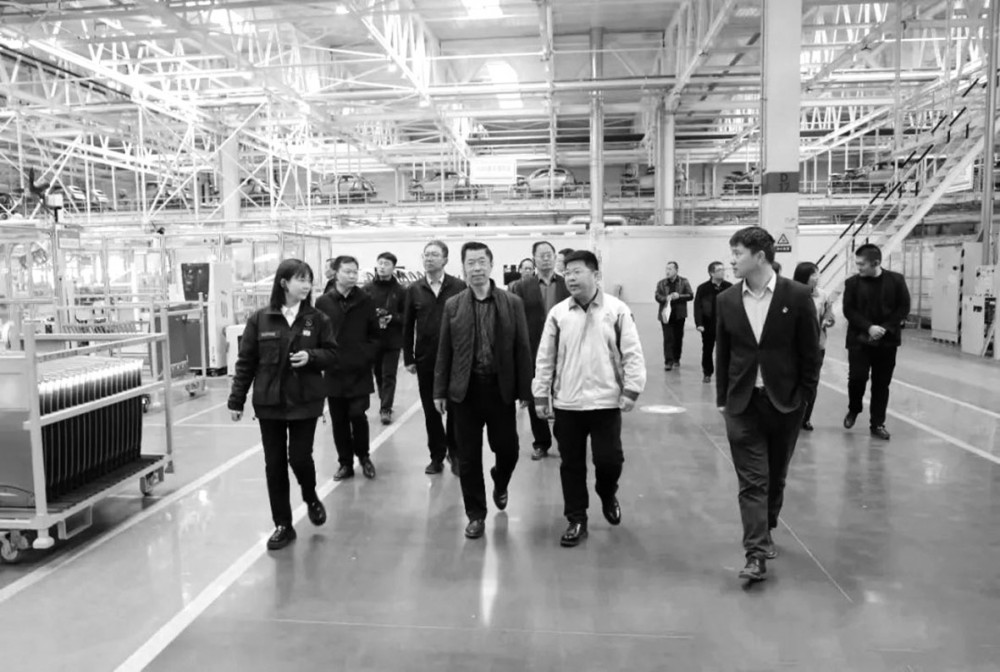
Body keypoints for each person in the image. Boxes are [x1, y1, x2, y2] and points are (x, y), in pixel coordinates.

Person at [715, 226, 820, 583]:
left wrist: (804, 397)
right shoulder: (727, 300)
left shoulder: (797, 295)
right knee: (752, 481)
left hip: (785, 403)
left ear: (760, 256)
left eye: (737, 254)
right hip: (742, 403)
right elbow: (724, 353)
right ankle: (755, 553)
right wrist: (722, 398)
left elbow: (810, 353)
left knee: (775, 476)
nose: (731, 260)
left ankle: (768, 522)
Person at [533, 250, 646, 548]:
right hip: (567, 403)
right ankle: (576, 518)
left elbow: (632, 353)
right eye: (567, 272)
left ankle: (607, 492)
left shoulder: (617, 310)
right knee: (571, 465)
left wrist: (632, 389)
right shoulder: (558, 313)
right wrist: (540, 394)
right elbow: (545, 357)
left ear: (595, 275)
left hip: (606, 402)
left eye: (577, 272)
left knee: (609, 461)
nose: (570, 278)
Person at [228, 259, 336, 550]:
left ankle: (310, 497)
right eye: (301, 279)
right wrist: (237, 399)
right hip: (270, 402)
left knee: (299, 458)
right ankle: (283, 525)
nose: (307, 285)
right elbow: (246, 361)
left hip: (305, 400)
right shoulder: (260, 319)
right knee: (274, 464)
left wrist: (312, 357)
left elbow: (333, 354)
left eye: (309, 279)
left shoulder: (317, 319)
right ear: (284, 283)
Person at [434, 242, 533, 540]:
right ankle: (476, 514)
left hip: (500, 389)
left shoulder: (511, 302)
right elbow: (445, 350)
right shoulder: (453, 305)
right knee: (468, 457)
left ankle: (500, 481)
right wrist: (439, 390)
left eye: (481, 262)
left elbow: (522, 348)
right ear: (463, 267)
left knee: (508, 450)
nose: (476, 268)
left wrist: (526, 390)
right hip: (465, 391)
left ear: (491, 265)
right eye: (470, 262)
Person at [403, 240, 467, 475]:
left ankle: (455, 453)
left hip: (454, 359)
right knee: (431, 411)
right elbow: (407, 325)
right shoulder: (414, 289)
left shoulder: (459, 286)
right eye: (426, 255)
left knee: (455, 409)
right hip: (426, 359)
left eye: (434, 255)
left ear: (445, 260)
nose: (429, 258)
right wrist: (408, 357)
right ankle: (436, 456)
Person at [316, 255, 380, 481]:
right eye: (347, 272)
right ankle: (345, 463)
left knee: (358, 414)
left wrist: (366, 355)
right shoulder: (323, 302)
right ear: (335, 273)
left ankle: (364, 456)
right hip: (334, 370)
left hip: (359, 369)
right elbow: (317, 334)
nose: (353, 276)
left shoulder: (366, 300)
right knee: (339, 419)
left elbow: (375, 334)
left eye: (355, 272)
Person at [842, 243, 911, 441]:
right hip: (859, 340)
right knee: (857, 378)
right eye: (857, 263)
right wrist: (869, 327)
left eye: (862, 264)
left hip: (886, 342)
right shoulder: (852, 283)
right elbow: (849, 310)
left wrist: (884, 328)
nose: (858, 268)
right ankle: (854, 408)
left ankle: (877, 423)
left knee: (881, 384)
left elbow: (903, 308)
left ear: (876, 263)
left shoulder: (896, 281)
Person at [510, 241, 571, 460]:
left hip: (564, 349)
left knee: (563, 397)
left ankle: (565, 442)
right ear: (534, 258)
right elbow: (515, 320)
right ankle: (541, 442)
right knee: (536, 395)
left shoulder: (566, 284)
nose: (545, 259)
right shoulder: (522, 286)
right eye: (541, 255)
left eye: (549, 255)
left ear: (555, 258)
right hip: (533, 350)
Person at [793, 261, 836, 431]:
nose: (817, 277)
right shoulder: (791, 294)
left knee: (811, 382)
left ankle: (806, 418)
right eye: (813, 274)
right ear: (804, 276)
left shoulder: (822, 295)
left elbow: (829, 314)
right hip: (794, 346)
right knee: (792, 381)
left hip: (817, 346)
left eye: (817, 273)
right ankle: (791, 415)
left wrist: (828, 320)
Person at [367, 252, 406, 425]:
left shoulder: (401, 291)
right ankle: (384, 400)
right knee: (378, 374)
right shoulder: (367, 289)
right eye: (380, 263)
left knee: (389, 374)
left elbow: (407, 315)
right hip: (373, 339)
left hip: (392, 340)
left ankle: (386, 408)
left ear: (393, 268)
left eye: (386, 264)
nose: (382, 267)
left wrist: (394, 317)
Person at [693, 261, 732, 384]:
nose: (723, 272)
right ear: (711, 273)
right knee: (707, 349)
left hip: (725, 325)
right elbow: (698, 307)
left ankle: (725, 373)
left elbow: (734, 306)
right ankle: (707, 373)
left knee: (725, 350)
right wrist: (699, 324)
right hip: (708, 324)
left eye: (723, 270)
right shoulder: (703, 288)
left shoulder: (729, 287)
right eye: (719, 270)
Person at [654, 261, 694, 370]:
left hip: (679, 314)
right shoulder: (661, 283)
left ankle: (676, 358)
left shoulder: (684, 282)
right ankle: (668, 361)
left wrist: (679, 296)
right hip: (666, 314)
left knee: (678, 337)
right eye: (666, 269)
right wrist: (665, 298)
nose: (667, 271)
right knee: (668, 338)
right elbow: (657, 296)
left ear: (676, 270)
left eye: (670, 269)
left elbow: (690, 295)